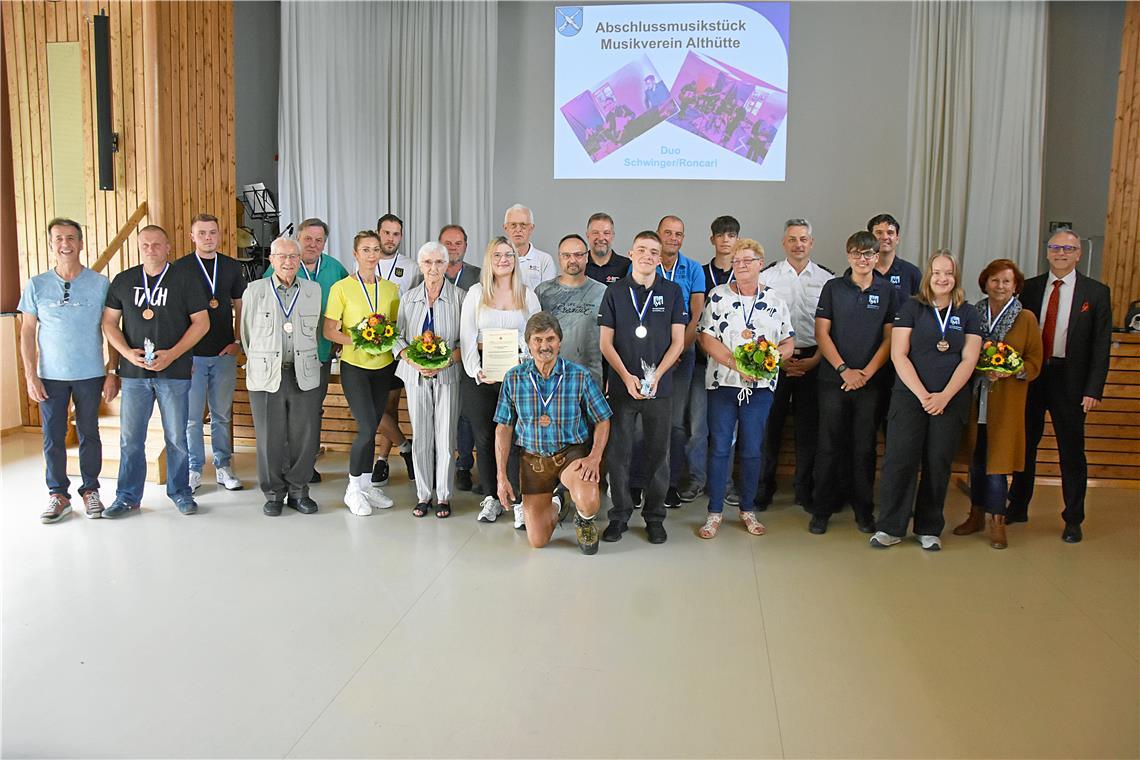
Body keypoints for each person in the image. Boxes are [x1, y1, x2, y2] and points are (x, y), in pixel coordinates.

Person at [871, 251, 982, 550]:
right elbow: (898, 354)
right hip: (910, 397)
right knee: (899, 461)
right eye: (936, 273)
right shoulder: (912, 307)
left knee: (938, 463)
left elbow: (969, 359)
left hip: (950, 400)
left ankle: (928, 528)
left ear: (956, 276)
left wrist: (944, 396)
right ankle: (891, 527)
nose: (942, 278)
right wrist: (923, 395)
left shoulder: (968, 312)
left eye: (948, 273)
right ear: (928, 276)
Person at [1007, 229, 1112, 543]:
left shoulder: (1096, 292)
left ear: (1079, 254)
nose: (1061, 253)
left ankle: (1073, 518)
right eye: (1055, 247)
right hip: (1034, 376)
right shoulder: (1031, 288)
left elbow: (1100, 346)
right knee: (1026, 443)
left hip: (1072, 381)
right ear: (1047, 252)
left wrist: (1093, 389)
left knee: (1071, 451)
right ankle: (1018, 505)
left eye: (1068, 248)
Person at [101, 225, 209, 517]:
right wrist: (126, 355)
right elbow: (109, 323)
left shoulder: (185, 280)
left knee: (176, 437)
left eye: (157, 244)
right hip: (134, 375)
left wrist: (173, 354)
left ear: (168, 247)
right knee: (130, 438)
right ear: (139, 247)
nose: (151, 249)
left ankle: (181, 492)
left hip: (173, 372)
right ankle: (127, 496)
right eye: (145, 245)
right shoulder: (124, 280)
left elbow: (202, 323)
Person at [19, 218, 118, 522]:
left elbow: (111, 327)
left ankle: (90, 491)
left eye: (71, 238)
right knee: (53, 436)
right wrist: (30, 375)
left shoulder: (100, 283)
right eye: (59, 238)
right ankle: (57, 494)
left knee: (90, 433)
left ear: (81, 243)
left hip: (90, 374)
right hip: (51, 376)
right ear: (51, 244)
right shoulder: (37, 285)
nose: (66, 244)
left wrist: (112, 370)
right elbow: (26, 332)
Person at [695, 238, 794, 539]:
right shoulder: (718, 296)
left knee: (752, 449)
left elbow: (789, 341)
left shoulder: (776, 301)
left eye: (747, 261)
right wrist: (736, 364)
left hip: (760, 388)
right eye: (736, 262)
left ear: (761, 263)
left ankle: (748, 509)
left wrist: (770, 360)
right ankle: (714, 513)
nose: (741, 266)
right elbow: (705, 337)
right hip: (723, 384)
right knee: (721, 448)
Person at [493, 312, 612, 554]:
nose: (544, 346)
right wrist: (501, 476)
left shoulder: (579, 376)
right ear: (528, 343)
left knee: (589, 500)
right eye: (537, 340)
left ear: (560, 342)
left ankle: (584, 519)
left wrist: (594, 457)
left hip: (569, 453)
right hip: (533, 458)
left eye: (550, 339)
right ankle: (559, 503)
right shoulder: (513, 378)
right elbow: (503, 427)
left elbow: (603, 418)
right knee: (538, 540)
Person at [599, 231, 686, 544]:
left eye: (654, 252)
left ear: (660, 257)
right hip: (623, 388)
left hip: (659, 388)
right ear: (631, 253)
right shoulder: (614, 292)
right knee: (618, 454)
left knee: (658, 455)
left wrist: (657, 375)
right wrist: (625, 376)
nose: (648, 256)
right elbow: (606, 344)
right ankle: (619, 516)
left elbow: (678, 341)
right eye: (642, 250)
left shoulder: (673, 291)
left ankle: (654, 518)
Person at [810, 231, 898, 534]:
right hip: (833, 380)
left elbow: (890, 339)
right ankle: (821, 510)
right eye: (858, 253)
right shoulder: (833, 287)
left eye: (869, 254)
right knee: (828, 446)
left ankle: (863, 511)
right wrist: (844, 369)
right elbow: (822, 333)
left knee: (864, 448)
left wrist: (866, 374)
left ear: (877, 256)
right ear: (848, 255)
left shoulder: (887, 291)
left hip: (871, 383)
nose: (864, 259)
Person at [953, 259, 1042, 548]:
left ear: (1015, 286)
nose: (1000, 286)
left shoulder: (1025, 317)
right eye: (995, 280)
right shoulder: (973, 313)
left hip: (1006, 402)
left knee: (997, 465)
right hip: (975, 399)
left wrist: (1012, 369)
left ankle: (997, 521)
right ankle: (975, 514)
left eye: (1006, 281)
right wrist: (979, 367)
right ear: (985, 283)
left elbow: (1034, 360)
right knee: (977, 461)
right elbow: (962, 352)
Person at [460, 236, 542, 526]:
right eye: (497, 255)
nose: (504, 259)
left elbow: (535, 334)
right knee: (483, 438)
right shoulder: (476, 292)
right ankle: (492, 497)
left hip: (517, 378)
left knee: (514, 439)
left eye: (509, 255)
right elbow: (467, 335)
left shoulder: (527, 294)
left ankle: (516, 498)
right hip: (481, 377)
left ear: (515, 260)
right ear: (489, 260)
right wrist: (474, 369)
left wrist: (522, 357)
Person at [242, 237, 324, 516]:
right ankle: (273, 493)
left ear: (300, 260)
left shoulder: (314, 290)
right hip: (266, 375)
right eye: (282, 257)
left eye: (293, 256)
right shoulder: (255, 291)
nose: (288, 262)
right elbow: (246, 335)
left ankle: (299, 492)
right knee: (269, 438)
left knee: (304, 436)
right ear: (271, 260)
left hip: (304, 373)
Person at [757, 218, 834, 512]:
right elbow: (761, 322)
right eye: (792, 239)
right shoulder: (769, 277)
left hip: (815, 361)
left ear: (811, 243)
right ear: (783, 243)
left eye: (803, 239)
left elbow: (831, 328)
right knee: (769, 427)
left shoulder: (827, 279)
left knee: (808, 430)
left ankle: (804, 489)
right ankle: (764, 487)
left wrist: (815, 360)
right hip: (775, 362)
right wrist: (780, 360)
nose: (798, 244)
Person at [263, 217, 349, 483]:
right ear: (298, 239)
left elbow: (348, 305)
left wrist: (339, 339)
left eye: (318, 240)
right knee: (286, 412)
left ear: (325, 243)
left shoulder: (335, 269)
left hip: (319, 354)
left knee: (312, 411)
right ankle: (286, 465)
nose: (313, 244)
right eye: (308, 239)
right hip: (286, 356)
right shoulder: (281, 267)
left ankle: (306, 464)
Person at [323, 230, 401, 515]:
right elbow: (330, 331)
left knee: (374, 426)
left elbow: (394, 330)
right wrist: (359, 339)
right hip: (354, 367)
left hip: (383, 367)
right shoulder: (341, 288)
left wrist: (385, 340)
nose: (371, 254)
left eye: (375, 249)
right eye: (365, 249)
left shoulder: (391, 289)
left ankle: (367, 486)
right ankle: (353, 489)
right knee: (367, 427)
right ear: (355, 254)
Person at [174, 213, 245, 493]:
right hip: (191, 357)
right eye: (201, 233)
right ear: (192, 236)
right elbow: (175, 314)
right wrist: (182, 353)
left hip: (224, 352)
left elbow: (241, 306)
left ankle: (223, 465)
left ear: (219, 235)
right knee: (192, 417)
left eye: (212, 232)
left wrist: (238, 341)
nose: (207, 238)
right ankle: (194, 468)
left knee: (222, 415)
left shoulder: (230, 266)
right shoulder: (179, 269)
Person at [395, 242, 464, 518]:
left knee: (445, 437)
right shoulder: (408, 298)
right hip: (415, 376)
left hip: (448, 375)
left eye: (439, 262)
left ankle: (444, 496)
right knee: (421, 436)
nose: (433, 269)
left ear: (447, 265)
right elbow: (397, 337)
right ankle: (423, 495)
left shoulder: (461, 297)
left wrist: (446, 361)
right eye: (427, 263)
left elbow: (467, 341)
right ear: (420, 266)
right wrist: (413, 361)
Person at [685, 214, 741, 505]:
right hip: (700, 363)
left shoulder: (743, 276)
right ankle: (696, 479)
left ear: (737, 239)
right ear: (713, 239)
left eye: (731, 235)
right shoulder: (700, 273)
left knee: (727, 431)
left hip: (732, 366)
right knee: (697, 428)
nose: (725, 240)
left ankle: (726, 482)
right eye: (720, 235)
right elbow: (695, 318)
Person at [655, 214, 705, 507]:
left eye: (678, 234)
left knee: (675, 423)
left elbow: (696, 315)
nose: (673, 238)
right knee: (641, 423)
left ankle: (671, 484)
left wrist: (677, 352)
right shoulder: (647, 263)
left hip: (682, 357)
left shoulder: (693, 269)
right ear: (658, 234)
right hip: (648, 357)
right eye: (668, 233)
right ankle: (640, 482)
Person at [370, 213, 417, 488]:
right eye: (386, 233)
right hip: (364, 347)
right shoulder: (364, 259)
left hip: (395, 346)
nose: (390, 238)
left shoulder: (411, 267)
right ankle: (404, 446)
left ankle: (382, 460)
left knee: (388, 406)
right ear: (378, 233)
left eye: (395, 234)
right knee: (369, 407)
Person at [536, 233, 606, 386]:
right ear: (559, 257)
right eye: (566, 255)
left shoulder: (602, 292)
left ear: (587, 257)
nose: (572, 260)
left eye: (578, 255)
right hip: (550, 378)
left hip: (590, 380)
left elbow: (612, 340)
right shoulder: (543, 292)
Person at [441, 224, 481, 491]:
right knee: (448, 415)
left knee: (468, 413)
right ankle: (458, 464)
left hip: (471, 351)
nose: (453, 247)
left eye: (458, 243)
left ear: (466, 246)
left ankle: (468, 465)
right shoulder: (430, 272)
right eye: (448, 243)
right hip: (440, 355)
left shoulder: (479, 275)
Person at [502, 204, 557, 289]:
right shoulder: (497, 259)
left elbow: (548, 296)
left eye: (523, 225)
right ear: (505, 228)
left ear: (531, 228)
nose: (518, 230)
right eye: (513, 225)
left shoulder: (545, 260)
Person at [584, 211, 630, 286]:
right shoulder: (580, 265)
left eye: (606, 233)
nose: (601, 238)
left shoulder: (627, 266)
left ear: (612, 236)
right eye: (595, 233)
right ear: (588, 235)